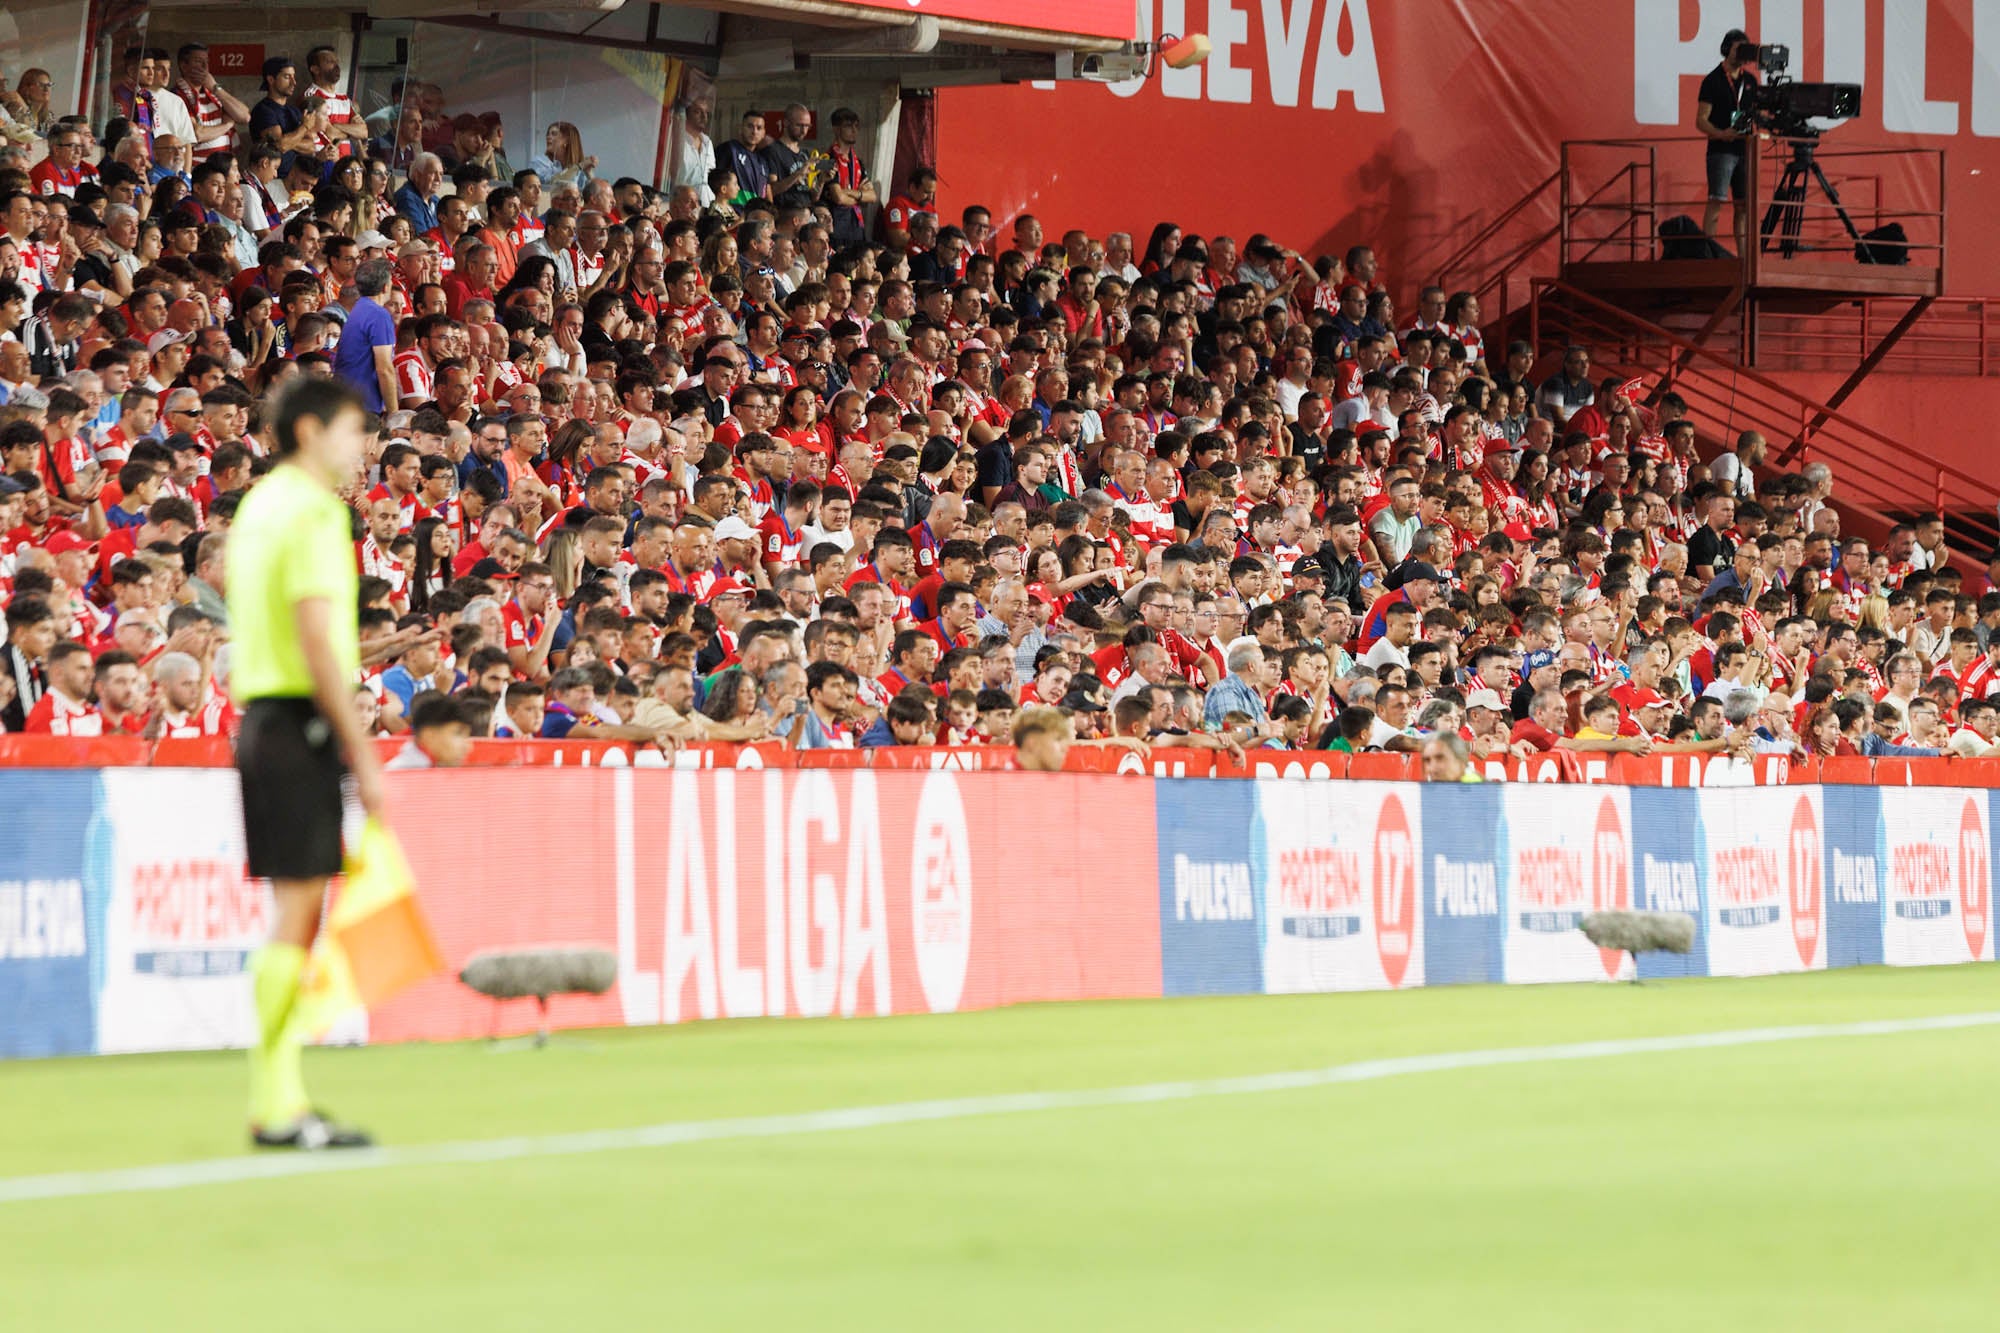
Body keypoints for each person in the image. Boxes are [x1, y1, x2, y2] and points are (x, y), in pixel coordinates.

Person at [226, 376, 383, 1151]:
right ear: (311, 429)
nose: (361, 448)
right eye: (354, 431)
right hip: (300, 722)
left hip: (263, 717)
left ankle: (279, 1092)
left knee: (295, 907)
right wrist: (361, 749)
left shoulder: (259, 504)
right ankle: (277, 1099)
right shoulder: (316, 509)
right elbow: (317, 634)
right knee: (296, 911)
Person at [1696, 29, 1761, 252]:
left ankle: (1744, 258)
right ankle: (1708, 254)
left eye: (1745, 49)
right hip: (1721, 150)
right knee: (1716, 201)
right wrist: (1721, 133)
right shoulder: (1712, 81)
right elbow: (1701, 120)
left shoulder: (1750, 81)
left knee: (1743, 207)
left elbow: (1759, 113)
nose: (1742, 53)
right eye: (1738, 48)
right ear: (1727, 49)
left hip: (1745, 150)